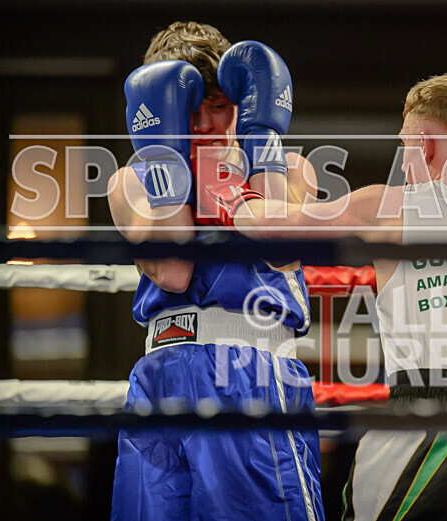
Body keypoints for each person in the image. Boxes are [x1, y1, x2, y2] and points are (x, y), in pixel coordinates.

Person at [234, 72, 447, 519]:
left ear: (426, 144)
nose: (402, 162)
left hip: (426, 437)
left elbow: (264, 230)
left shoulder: (390, 208)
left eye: (405, 144)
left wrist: (237, 175)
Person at [107, 22, 323, 521]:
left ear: (243, 101)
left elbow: (278, 250)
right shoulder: (130, 181)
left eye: (219, 105)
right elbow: (175, 269)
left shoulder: (290, 168)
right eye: (190, 108)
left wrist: (258, 148)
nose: (205, 122)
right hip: (160, 377)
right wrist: (165, 154)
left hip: (251, 373)